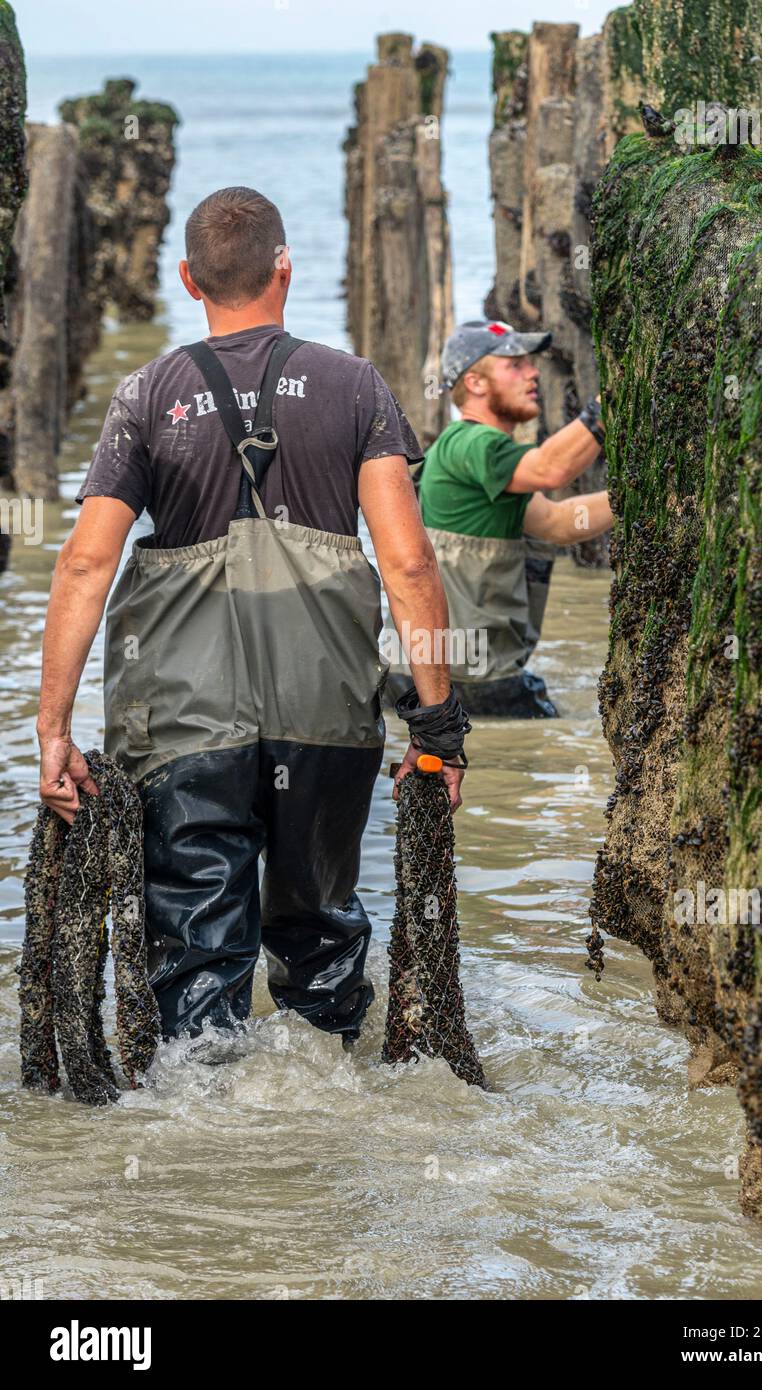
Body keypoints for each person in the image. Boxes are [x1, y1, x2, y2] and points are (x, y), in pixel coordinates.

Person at [35, 185, 469, 1048]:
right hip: (326, 716)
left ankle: (208, 1144)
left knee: (196, 957)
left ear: (189, 279)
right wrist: (438, 728)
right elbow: (410, 562)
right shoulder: (355, 386)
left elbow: (86, 562)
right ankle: (328, 1103)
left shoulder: (146, 395)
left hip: (185, 723)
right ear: (285, 268)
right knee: (321, 933)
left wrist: (52, 728)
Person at [386, 320, 613, 717]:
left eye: (531, 364)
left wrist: (632, 495)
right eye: (515, 365)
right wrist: (610, 403)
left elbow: (559, 524)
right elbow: (550, 470)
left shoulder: (466, 456)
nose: (533, 373)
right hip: (467, 680)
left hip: (424, 676)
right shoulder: (475, 443)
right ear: (474, 382)